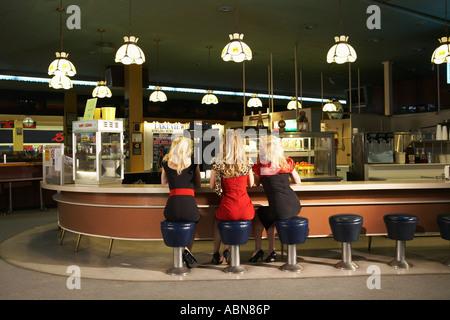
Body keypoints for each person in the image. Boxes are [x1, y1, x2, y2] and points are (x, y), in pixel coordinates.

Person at [249, 134, 301, 263]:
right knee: (269, 215)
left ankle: (260, 250)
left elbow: (254, 184)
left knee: (260, 214)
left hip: (279, 208)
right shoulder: (286, 163)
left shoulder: (261, 168)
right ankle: (271, 251)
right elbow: (297, 181)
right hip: (294, 204)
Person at [209, 130, 255, 264]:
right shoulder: (247, 162)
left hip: (228, 207)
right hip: (245, 209)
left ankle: (216, 253)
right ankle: (227, 248)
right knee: (233, 218)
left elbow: (212, 186)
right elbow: (251, 184)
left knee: (218, 220)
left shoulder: (218, 163)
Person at [161, 136, 201, 268]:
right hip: (189, 205)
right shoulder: (194, 163)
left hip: (172, 207)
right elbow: (199, 185)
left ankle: (181, 251)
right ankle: (187, 250)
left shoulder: (166, 163)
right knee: (193, 221)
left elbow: (163, 184)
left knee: (176, 221)